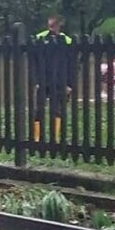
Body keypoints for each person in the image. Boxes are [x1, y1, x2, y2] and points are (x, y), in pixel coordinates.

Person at [30, 15, 75, 143]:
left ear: (61, 24)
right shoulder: (40, 38)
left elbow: (72, 65)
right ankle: (37, 137)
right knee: (39, 109)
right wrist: (36, 81)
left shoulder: (67, 41)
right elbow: (33, 63)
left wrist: (69, 84)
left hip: (61, 80)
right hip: (43, 79)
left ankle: (54, 137)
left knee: (58, 110)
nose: (53, 25)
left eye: (56, 23)